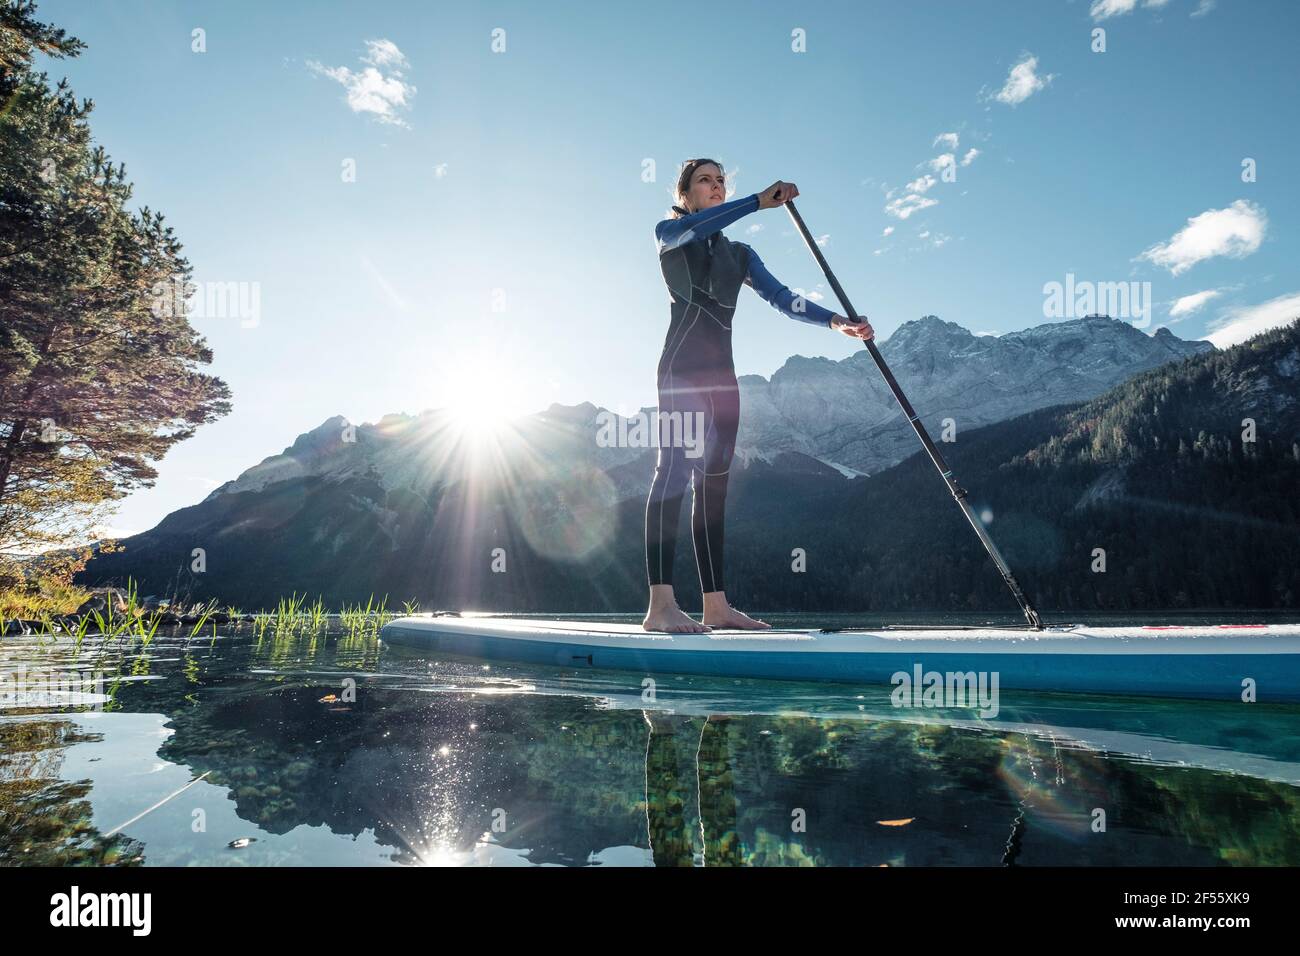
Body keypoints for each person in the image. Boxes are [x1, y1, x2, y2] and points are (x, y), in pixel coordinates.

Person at [643, 158, 875, 633]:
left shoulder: (741, 255)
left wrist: (836, 321)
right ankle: (660, 606)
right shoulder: (669, 232)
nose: (716, 186)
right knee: (674, 471)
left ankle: (716, 606)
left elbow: (782, 298)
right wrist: (756, 202)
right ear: (684, 193)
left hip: (723, 378)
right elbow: (692, 230)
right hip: (681, 372)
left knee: (715, 484)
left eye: (721, 181)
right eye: (705, 180)